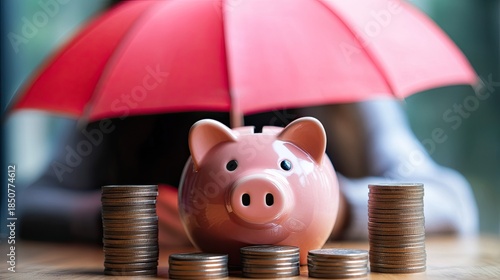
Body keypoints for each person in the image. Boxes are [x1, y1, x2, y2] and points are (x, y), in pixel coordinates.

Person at [18, 98, 479, 247]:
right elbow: (24, 204)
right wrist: (114, 220)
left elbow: (452, 201)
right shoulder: (125, 101)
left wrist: (340, 208)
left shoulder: (353, 95)